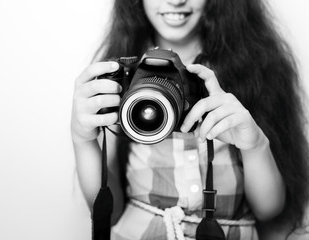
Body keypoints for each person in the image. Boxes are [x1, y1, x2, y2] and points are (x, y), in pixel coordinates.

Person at [71, 0, 309, 239]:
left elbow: (269, 211)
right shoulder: (121, 78)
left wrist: (256, 145)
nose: (176, 1)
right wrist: (82, 139)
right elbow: (107, 212)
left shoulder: (256, 70)